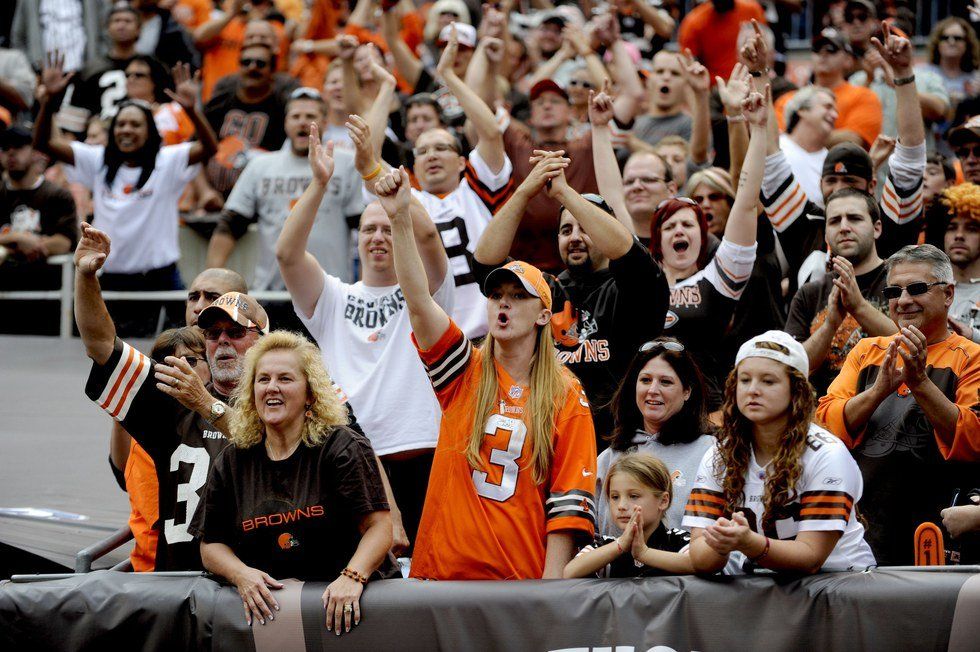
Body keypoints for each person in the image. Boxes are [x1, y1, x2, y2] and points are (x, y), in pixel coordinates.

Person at [377, 163, 598, 580]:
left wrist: (548, 592)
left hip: (519, 581)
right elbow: (419, 301)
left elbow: (568, 503)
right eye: (495, 295)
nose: (503, 303)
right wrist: (400, 218)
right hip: (441, 576)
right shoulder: (464, 371)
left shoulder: (566, 394)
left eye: (518, 296)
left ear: (544, 315)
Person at [276, 119, 452, 551]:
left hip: (420, 448)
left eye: (387, 227)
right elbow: (287, 253)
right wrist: (318, 184)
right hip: (345, 457)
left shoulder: (425, 291)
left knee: (423, 571)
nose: (378, 236)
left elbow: (427, 234)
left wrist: (376, 174)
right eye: (368, 229)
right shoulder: (332, 297)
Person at [74, 222, 250, 571]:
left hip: (255, 579)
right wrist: (85, 278)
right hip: (175, 581)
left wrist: (205, 404)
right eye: (212, 333)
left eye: (233, 331)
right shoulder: (166, 389)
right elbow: (102, 345)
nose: (220, 340)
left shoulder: (277, 390)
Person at [190, 331, 391, 633]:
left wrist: (353, 576)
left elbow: (379, 527)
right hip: (272, 619)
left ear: (310, 394)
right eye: (263, 379)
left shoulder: (341, 446)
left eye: (285, 379)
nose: (272, 387)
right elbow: (211, 544)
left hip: (349, 611)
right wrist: (241, 575)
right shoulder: (233, 459)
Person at [817, 244, 980, 565]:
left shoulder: (972, 357)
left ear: (948, 295)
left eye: (917, 289)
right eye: (894, 291)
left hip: (938, 529)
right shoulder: (866, 351)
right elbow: (826, 427)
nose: (903, 300)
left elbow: (973, 440)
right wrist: (878, 391)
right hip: (863, 529)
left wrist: (920, 383)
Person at [36, 55, 218, 335]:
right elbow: (44, 144)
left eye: (135, 125)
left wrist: (192, 111)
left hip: (161, 278)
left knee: (176, 353)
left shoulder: (166, 161)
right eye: (121, 124)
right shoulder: (97, 161)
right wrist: (49, 100)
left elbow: (209, 148)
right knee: (114, 359)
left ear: (149, 131)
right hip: (112, 280)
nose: (126, 130)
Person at [684, 330, 876, 574]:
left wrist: (749, 543)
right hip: (761, 586)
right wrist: (720, 544)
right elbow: (700, 561)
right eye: (744, 380)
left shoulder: (827, 454)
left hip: (838, 585)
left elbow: (811, 558)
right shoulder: (719, 455)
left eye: (768, 381)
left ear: (796, 391)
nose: (753, 390)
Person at [757, 23, 926, 292]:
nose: (838, 189)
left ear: (872, 186)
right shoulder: (807, 227)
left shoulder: (890, 226)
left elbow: (910, 160)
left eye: (849, 179)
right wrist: (758, 75)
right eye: (831, 180)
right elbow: (771, 166)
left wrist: (903, 75)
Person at [649, 87, 769, 410]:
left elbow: (745, 203)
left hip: (706, 413)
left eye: (689, 224)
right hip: (646, 412)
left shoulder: (717, 279)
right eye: (670, 226)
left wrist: (757, 130)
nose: (679, 230)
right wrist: (602, 131)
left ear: (704, 239)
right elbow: (616, 202)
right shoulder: (641, 283)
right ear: (656, 243)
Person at [405, 25, 514, 339]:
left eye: (442, 148)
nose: (432, 156)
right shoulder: (410, 202)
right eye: (423, 151)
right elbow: (367, 164)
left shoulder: (479, 190)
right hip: (436, 341)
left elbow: (490, 132)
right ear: (414, 165)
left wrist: (449, 77)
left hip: (489, 336)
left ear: (463, 161)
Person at [206, 88, 364, 289]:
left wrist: (365, 287)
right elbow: (230, 224)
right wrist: (210, 283)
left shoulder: (346, 163)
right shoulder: (260, 166)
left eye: (310, 116)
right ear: (285, 122)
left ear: (325, 122)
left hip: (331, 291)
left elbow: (363, 227)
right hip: (273, 292)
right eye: (295, 116)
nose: (302, 122)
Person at [108, 326, 211, 572]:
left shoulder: (226, 422)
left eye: (191, 361)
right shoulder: (153, 432)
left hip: (200, 570)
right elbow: (124, 476)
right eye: (166, 364)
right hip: (153, 571)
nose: (179, 370)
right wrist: (124, 411)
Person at [785, 188, 898, 395]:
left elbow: (919, 347)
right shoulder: (809, 294)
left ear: (877, 228)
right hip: (822, 416)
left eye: (854, 219)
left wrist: (859, 307)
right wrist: (830, 325)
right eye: (835, 221)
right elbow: (791, 368)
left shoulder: (901, 283)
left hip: (889, 413)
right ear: (826, 232)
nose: (844, 227)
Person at [597, 339, 716, 535]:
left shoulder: (711, 453)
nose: (653, 390)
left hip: (686, 564)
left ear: (687, 391)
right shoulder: (610, 457)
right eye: (645, 380)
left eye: (665, 382)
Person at [563, 453, 694, 578]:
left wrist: (645, 553)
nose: (621, 505)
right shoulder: (607, 546)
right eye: (615, 497)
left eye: (633, 496)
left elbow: (700, 564)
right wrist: (620, 545)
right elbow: (569, 572)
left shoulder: (678, 541)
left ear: (663, 501)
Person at [203, 42, 288, 199]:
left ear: (273, 70)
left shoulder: (282, 108)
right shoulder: (219, 102)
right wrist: (205, 192)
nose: (252, 67)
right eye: (246, 62)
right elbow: (195, 151)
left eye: (260, 63)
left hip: (261, 198)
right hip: (212, 197)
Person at [773, 28, 881, 149]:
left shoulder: (864, 96)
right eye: (817, 49)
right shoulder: (788, 99)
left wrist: (799, 137)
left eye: (831, 49)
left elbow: (853, 141)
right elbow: (776, 140)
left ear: (848, 60)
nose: (823, 54)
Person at [677, 0, 765, 83]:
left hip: (753, 78)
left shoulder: (752, 10)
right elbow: (687, 63)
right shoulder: (694, 23)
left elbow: (767, 48)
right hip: (716, 86)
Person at [779, 86, 837, 205]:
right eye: (827, 107)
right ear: (802, 110)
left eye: (835, 111)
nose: (835, 116)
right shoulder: (775, 148)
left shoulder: (833, 162)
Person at [940, 184, 980, 343]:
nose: (959, 235)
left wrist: (972, 336)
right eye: (951, 228)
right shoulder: (927, 288)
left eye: (971, 229)